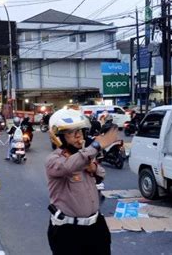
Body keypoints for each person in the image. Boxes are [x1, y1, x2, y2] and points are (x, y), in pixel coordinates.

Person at [45, 109, 118, 255]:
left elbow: (101, 174)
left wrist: (94, 168)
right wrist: (96, 146)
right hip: (68, 231)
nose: (78, 135)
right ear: (58, 137)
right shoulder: (53, 160)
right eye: (71, 132)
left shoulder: (84, 155)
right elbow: (68, 167)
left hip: (96, 227)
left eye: (80, 130)